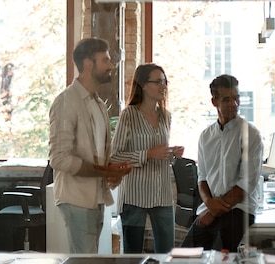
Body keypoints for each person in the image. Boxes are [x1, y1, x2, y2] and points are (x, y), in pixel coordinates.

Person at [49, 37, 132, 254]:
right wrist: (105, 170)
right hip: (76, 198)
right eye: (105, 60)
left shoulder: (98, 104)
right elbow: (59, 158)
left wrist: (113, 172)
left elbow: (98, 155)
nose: (111, 66)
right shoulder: (66, 101)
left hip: (96, 198)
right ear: (88, 64)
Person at [180, 74, 263, 252]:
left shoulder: (251, 135)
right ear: (214, 101)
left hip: (239, 210)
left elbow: (246, 183)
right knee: (184, 255)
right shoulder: (205, 136)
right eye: (227, 99)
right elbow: (202, 177)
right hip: (210, 207)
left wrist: (212, 212)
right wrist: (209, 203)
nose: (234, 104)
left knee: (220, 255)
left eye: (236, 98)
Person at [110, 63, 184, 253]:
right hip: (134, 195)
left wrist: (172, 154)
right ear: (143, 84)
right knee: (132, 255)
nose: (163, 86)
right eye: (157, 81)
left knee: (167, 254)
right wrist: (148, 154)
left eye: (165, 81)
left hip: (162, 195)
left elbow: (163, 156)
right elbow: (115, 157)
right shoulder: (128, 116)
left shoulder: (166, 116)